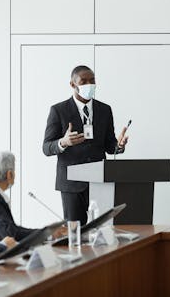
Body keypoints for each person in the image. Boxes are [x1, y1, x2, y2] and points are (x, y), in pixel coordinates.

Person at [43, 65, 129, 224]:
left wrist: (119, 145)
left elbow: (110, 146)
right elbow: (46, 147)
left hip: (100, 181)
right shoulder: (58, 110)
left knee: (103, 231)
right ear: (72, 84)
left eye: (92, 81)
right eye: (83, 81)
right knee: (75, 233)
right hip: (71, 184)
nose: (89, 85)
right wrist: (63, 142)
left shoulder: (104, 110)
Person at [0, 151, 67, 240]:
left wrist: (46, 232)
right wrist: (48, 233)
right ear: (9, 174)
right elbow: (11, 233)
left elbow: (11, 230)